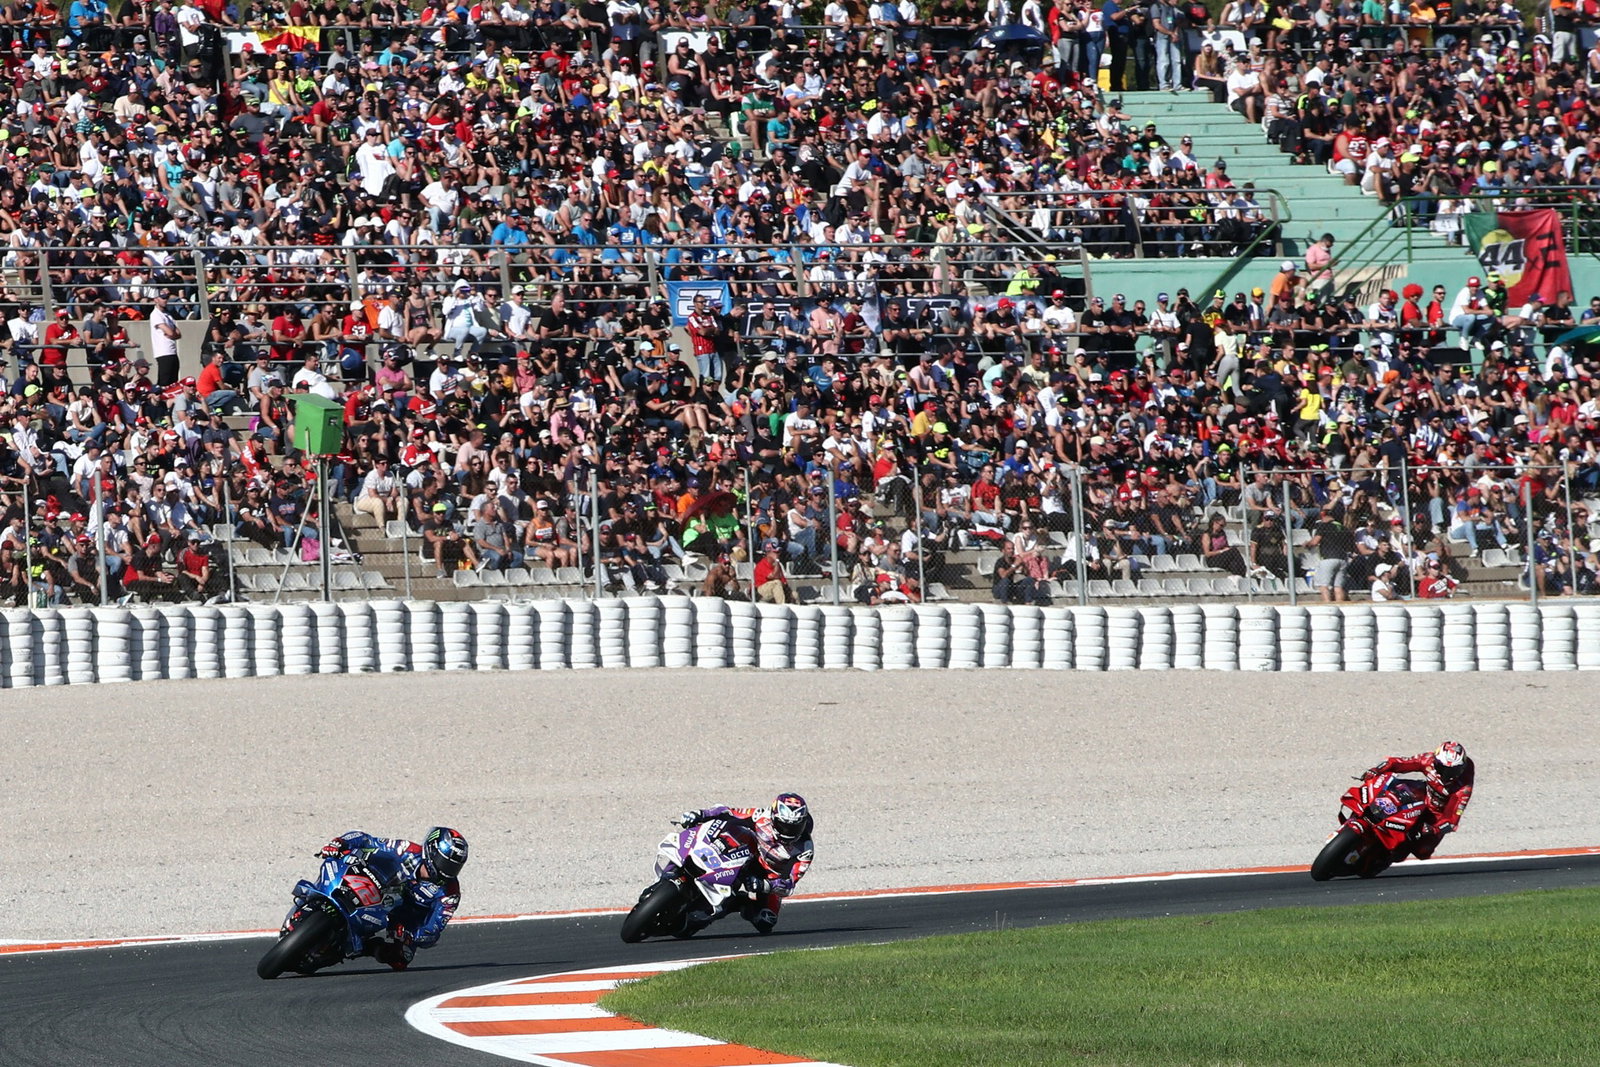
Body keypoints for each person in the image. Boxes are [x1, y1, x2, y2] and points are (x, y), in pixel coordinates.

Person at [290, 827, 468, 971]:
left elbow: (434, 929)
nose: (448, 871)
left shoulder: (449, 894)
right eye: (447, 864)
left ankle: (365, 947)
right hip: (376, 887)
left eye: (455, 867)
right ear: (431, 852)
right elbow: (365, 839)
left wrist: (412, 935)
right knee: (338, 864)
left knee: (400, 959)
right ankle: (312, 898)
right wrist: (340, 843)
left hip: (401, 918)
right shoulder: (405, 849)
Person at [673, 793, 814, 934]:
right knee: (726, 831)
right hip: (744, 854)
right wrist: (700, 814)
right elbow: (727, 811)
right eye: (783, 825)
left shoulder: (805, 849)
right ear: (773, 817)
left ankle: (734, 903)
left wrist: (764, 885)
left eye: (794, 827)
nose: (788, 831)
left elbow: (789, 885)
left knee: (765, 921)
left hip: (767, 877)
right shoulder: (761, 816)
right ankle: (679, 866)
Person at [1362, 742, 1474, 860]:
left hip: (1437, 813)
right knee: (1391, 788)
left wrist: (1434, 829)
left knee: (1423, 851)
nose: (1447, 774)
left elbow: (1452, 820)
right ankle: (1369, 808)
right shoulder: (1428, 760)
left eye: (1453, 771)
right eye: (1443, 768)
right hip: (1422, 793)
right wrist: (1376, 770)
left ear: (1461, 768)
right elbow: (1399, 762)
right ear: (1436, 762)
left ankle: (1388, 853)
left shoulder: (1463, 789)